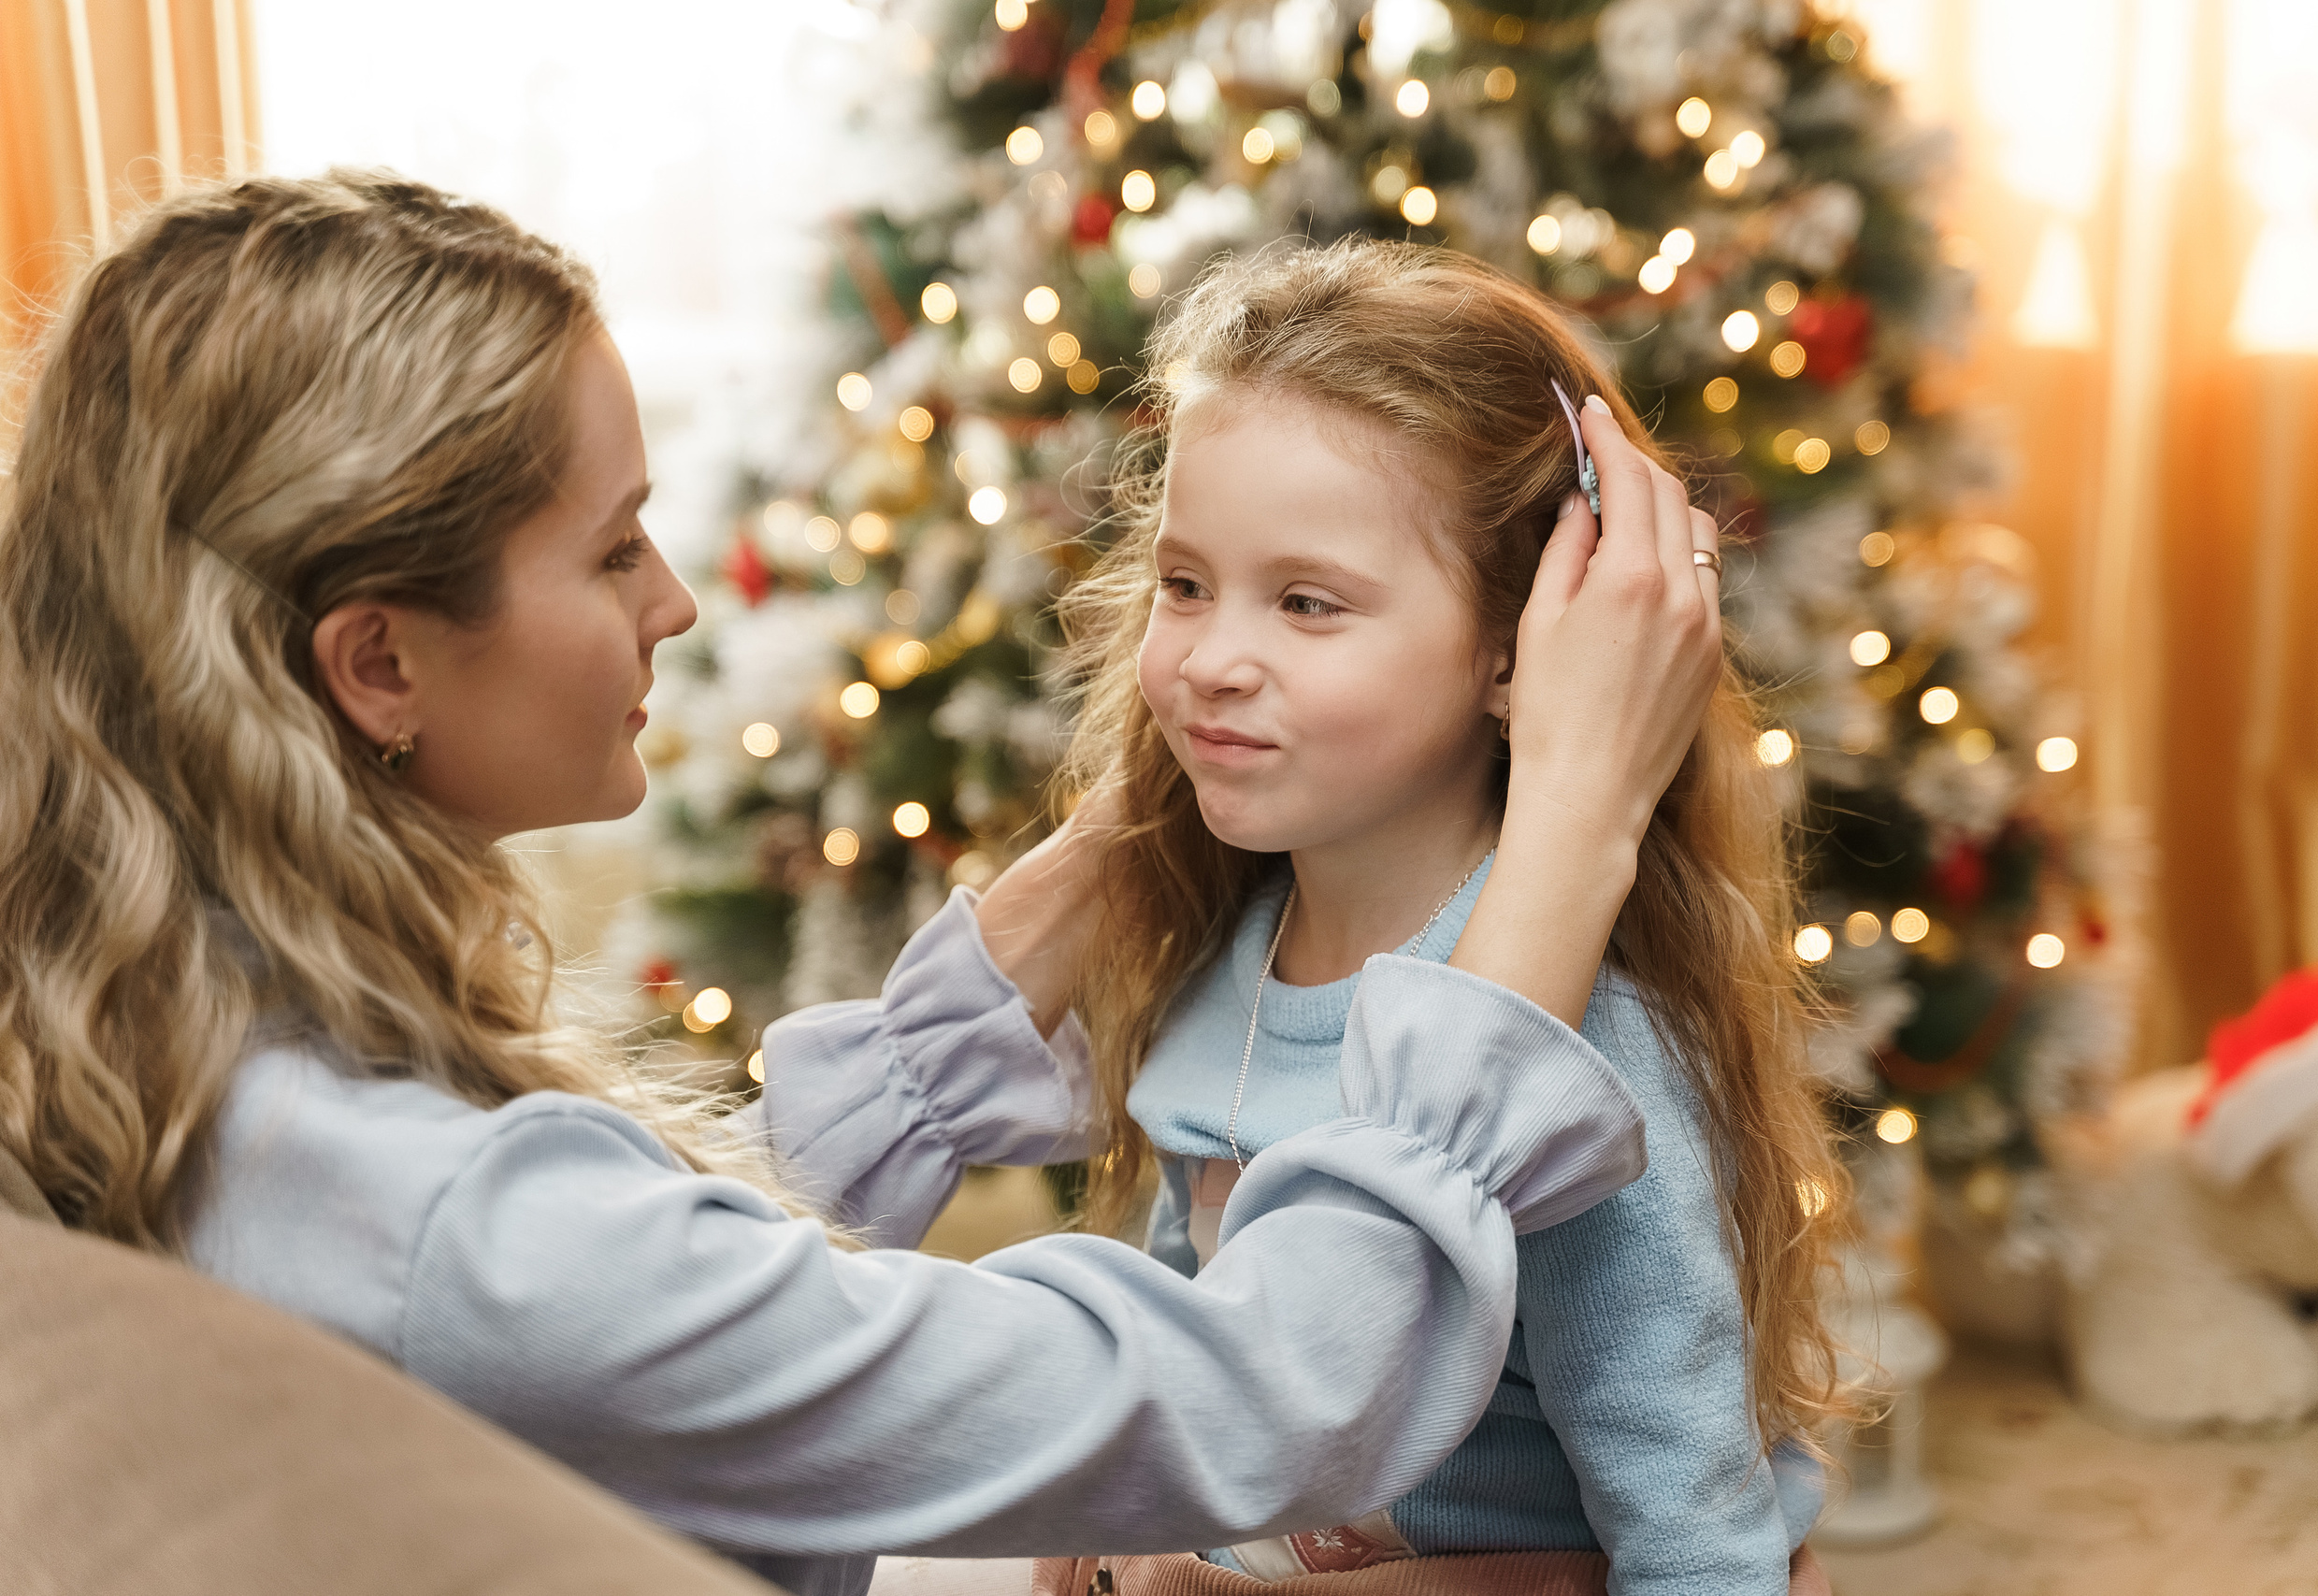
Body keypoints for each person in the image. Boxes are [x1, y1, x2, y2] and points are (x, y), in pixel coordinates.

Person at [0, 173, 1735, 1596]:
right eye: (611, 548)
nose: (675, 602)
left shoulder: (173, 1041)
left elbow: (697, 1321)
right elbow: (1240, 1389)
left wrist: (1119, 857)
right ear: (375, 664)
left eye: (1306, 603)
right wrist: (1577, 812)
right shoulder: (459, 1226)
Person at [1044, 240, 1846, 1593]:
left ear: (1512, 649)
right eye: (1186, 585)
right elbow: (1195, 1305)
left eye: (1307, 603)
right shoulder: (1232, 941)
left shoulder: (1573, 1037)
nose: (1212, 660)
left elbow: (1686, 1489)